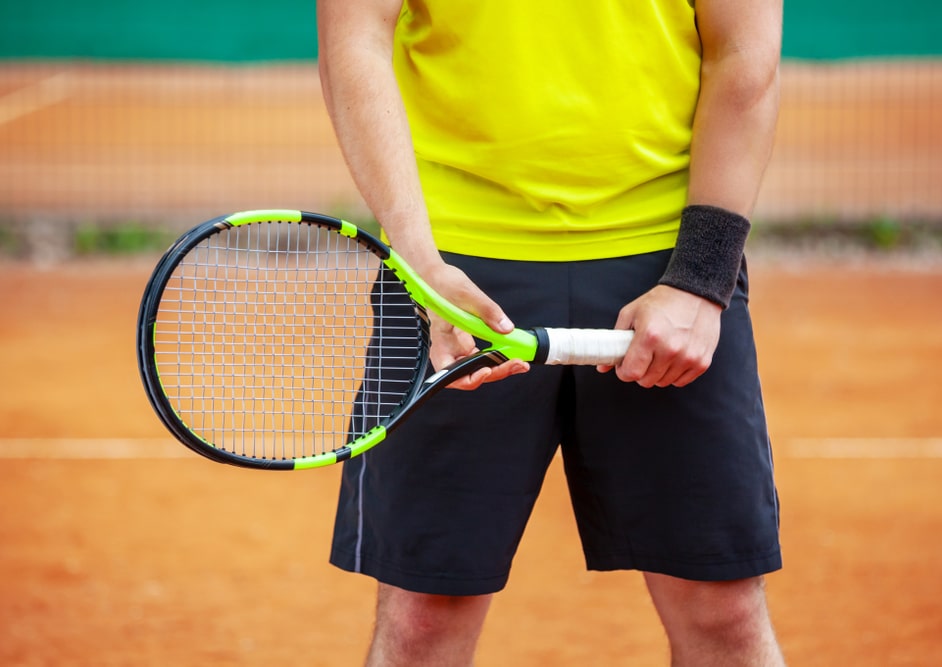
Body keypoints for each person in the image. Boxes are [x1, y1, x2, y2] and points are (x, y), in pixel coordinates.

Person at [317, 0, 785, 664]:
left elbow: (743, 48)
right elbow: (356, 37)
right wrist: (421, 265)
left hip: (667, 260)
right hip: (452, 262)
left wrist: (701, 277)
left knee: (723, 612)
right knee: (424, 616)